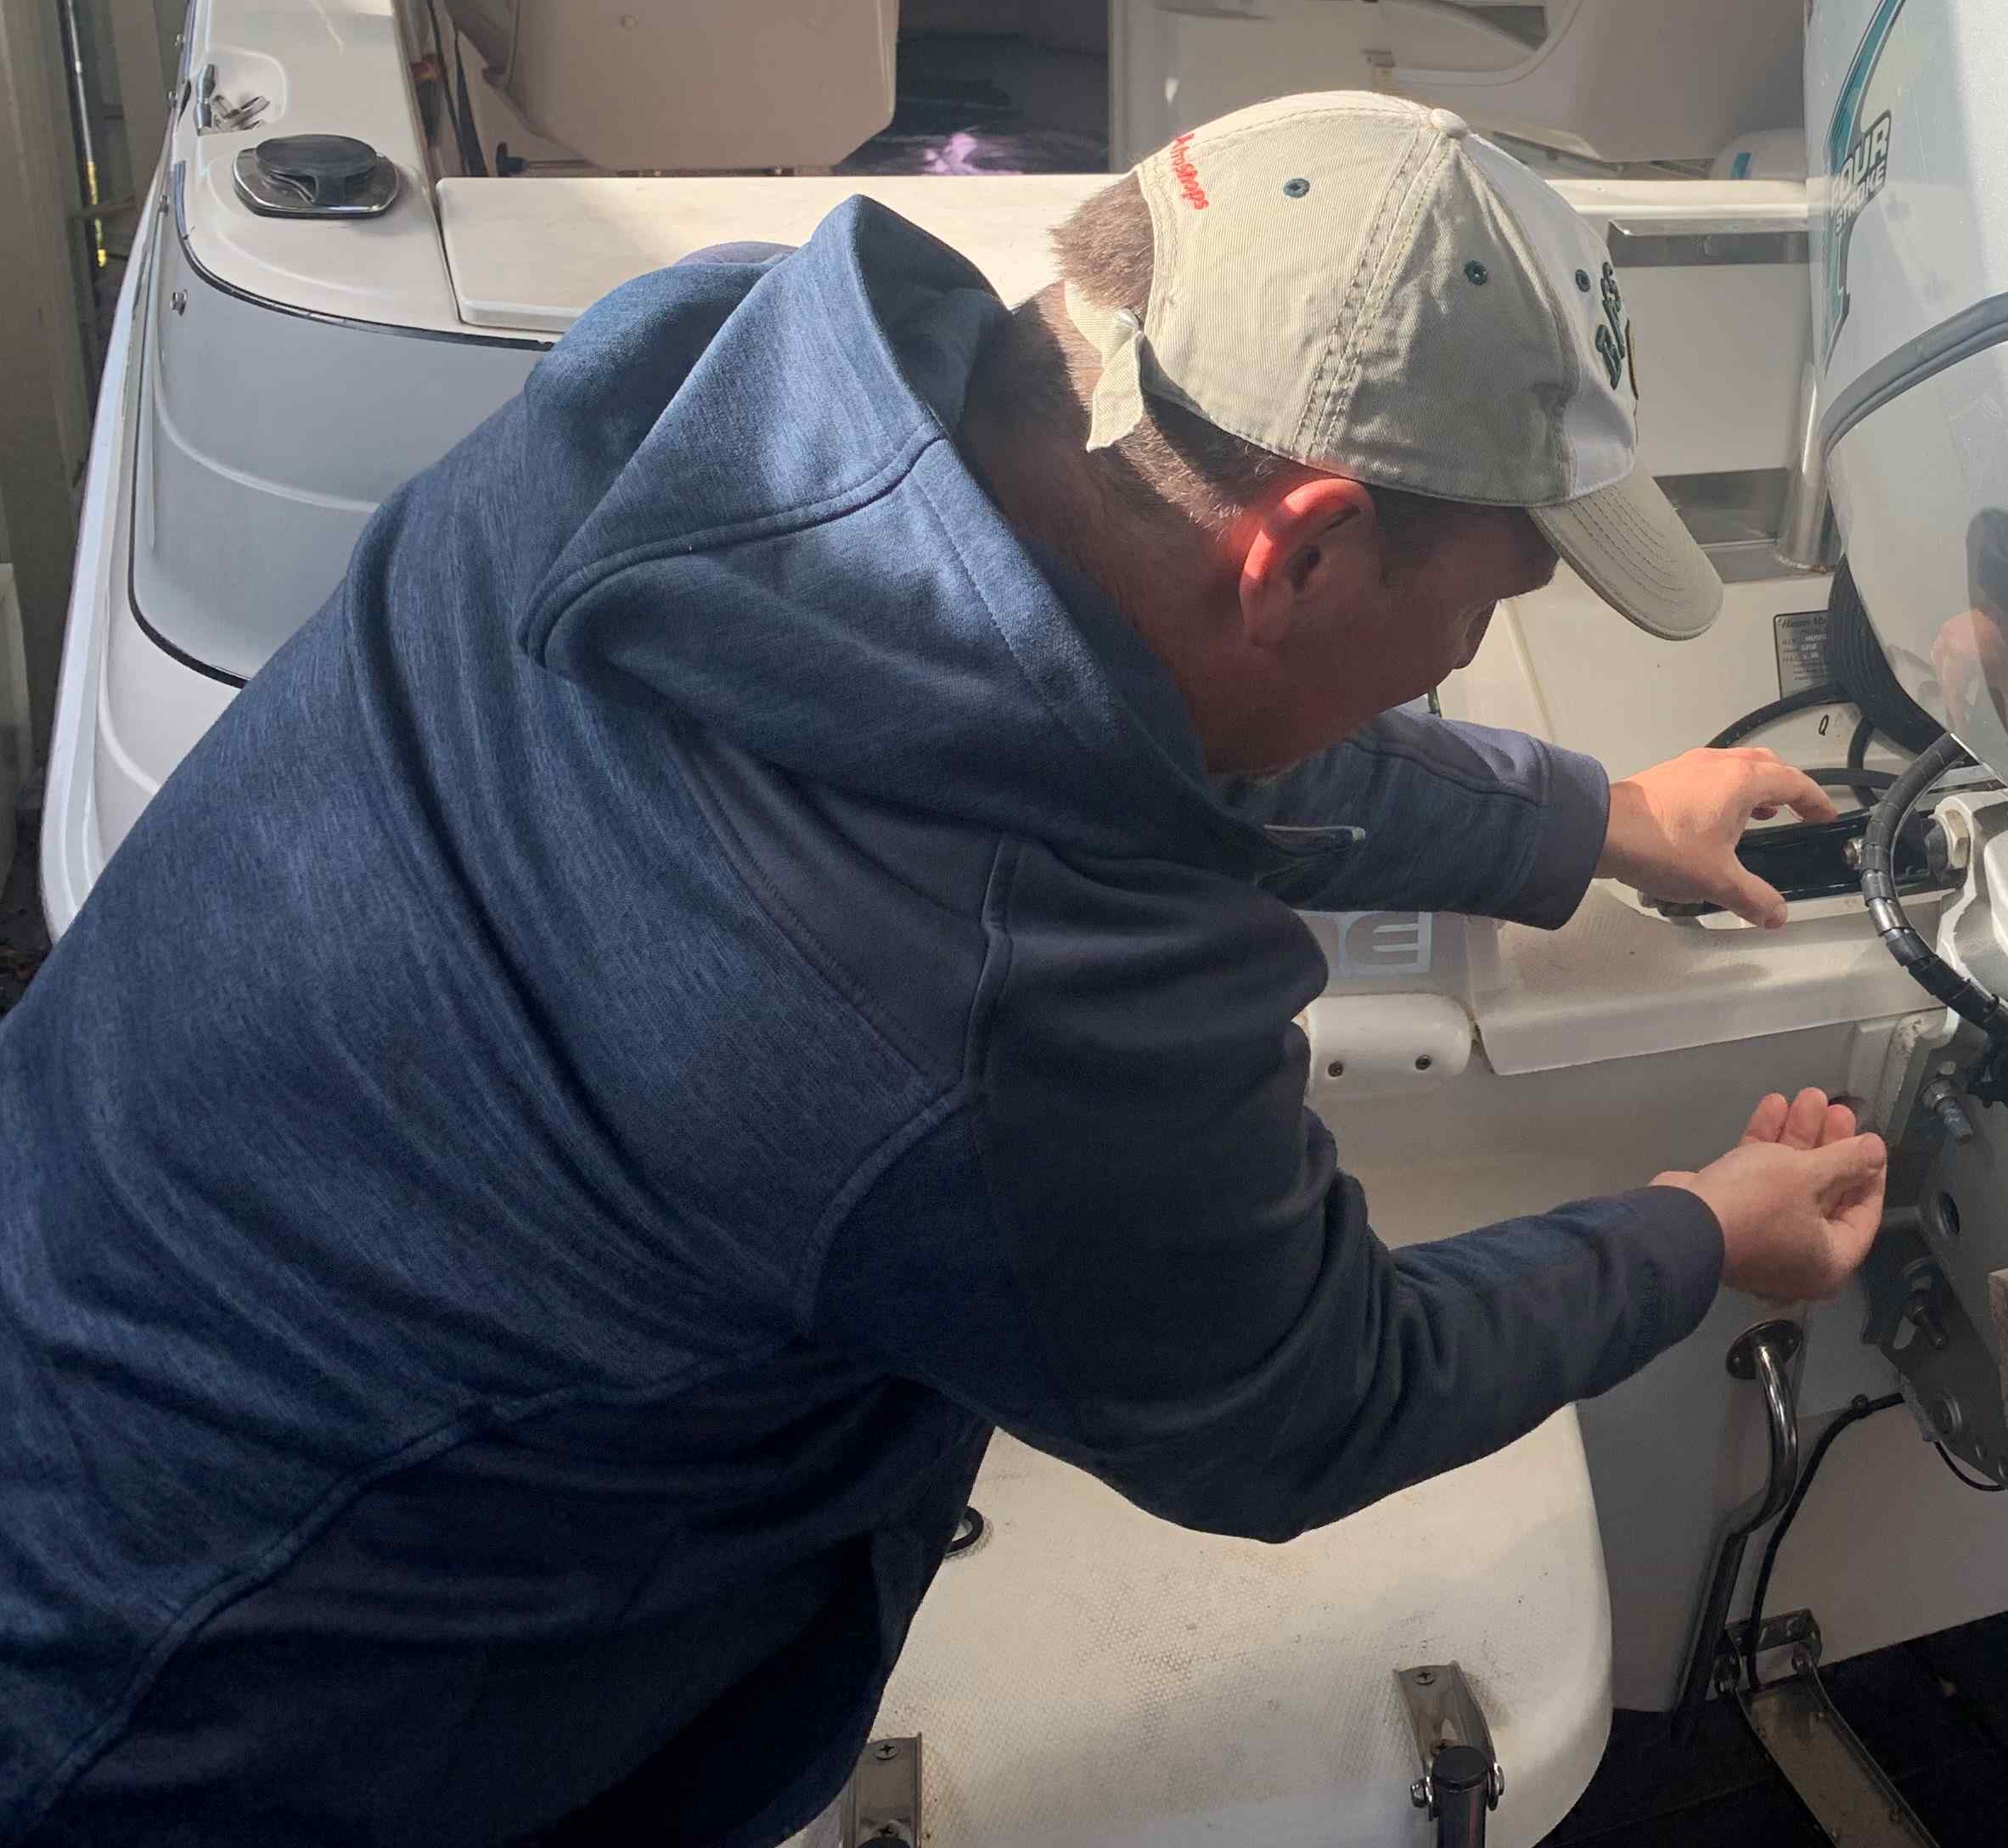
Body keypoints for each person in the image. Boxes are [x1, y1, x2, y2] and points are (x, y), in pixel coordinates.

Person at [0, 93, 1889, 1845]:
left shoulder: (710, 382)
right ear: (1305, 551)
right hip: (218, 1726)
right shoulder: (1003, 1009)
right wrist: (1705, 1230)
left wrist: (1596, 819)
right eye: (1490, 598)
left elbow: (1122, 695)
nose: (1469, 648)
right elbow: (1314, 1399)